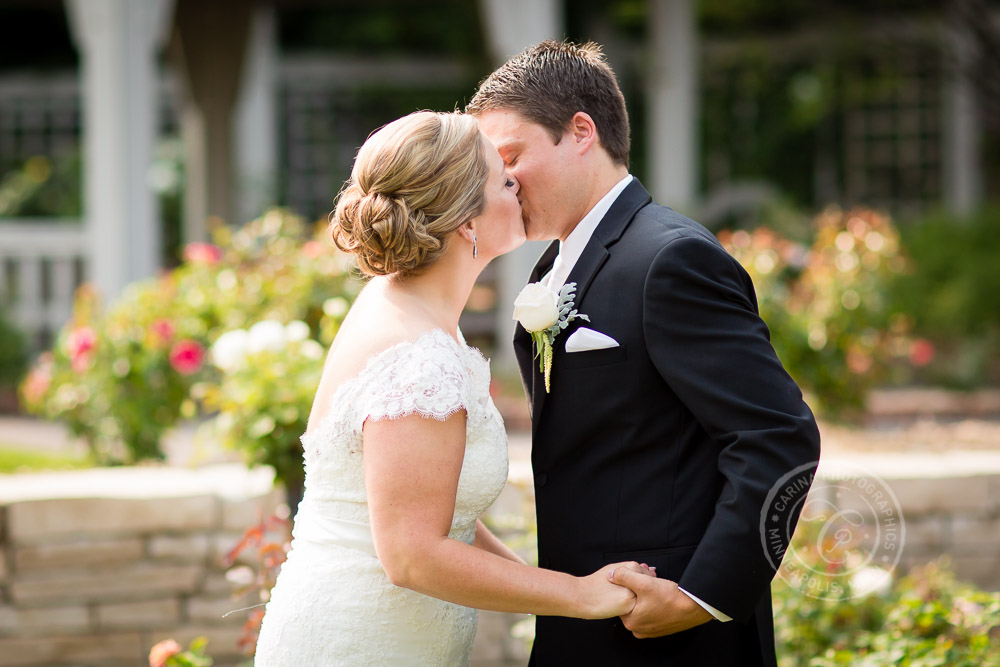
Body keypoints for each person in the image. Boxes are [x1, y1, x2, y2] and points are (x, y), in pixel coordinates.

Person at [468, 40, 822, 666]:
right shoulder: (553, 269)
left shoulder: (670, 258)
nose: (503, 180)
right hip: (583, 619)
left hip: (672, 636)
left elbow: (778, 435)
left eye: (512, 156)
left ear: (581, 132)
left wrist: (702, 595)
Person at [253, 110, 645, 666]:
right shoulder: (419, 358)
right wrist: (578, 597)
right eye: (504, 179)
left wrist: (556, 590)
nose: (519, 185)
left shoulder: (407, 307)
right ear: (467, 221)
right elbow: (412, 555)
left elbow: (441, 512)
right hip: (364, 643)